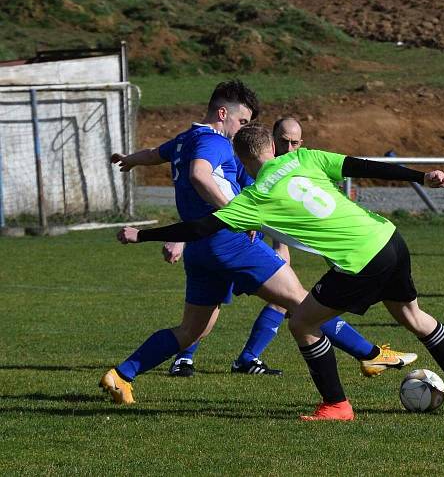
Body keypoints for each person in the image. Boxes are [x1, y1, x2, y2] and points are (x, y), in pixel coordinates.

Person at [116, 123, 444, 420]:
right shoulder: (305, 158)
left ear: (241, 161)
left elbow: (199, 228)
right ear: (274, 149)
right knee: (414, 316)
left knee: (303, 323)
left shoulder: (255, 197)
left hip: (359, 259)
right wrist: (420, 177)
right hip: (387, 237)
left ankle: (336, 405)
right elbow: (360, 165)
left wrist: (142, 235)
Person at [101, 82, 416, 404]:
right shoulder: (215, 142)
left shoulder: (185, 138)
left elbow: (155, 155)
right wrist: (234, 214)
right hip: (229, 242)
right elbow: (199, 174)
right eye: (242, 122)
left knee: (191, 331)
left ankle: (122, 374)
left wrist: (132, 160)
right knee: (302, 302)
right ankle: (370, 354)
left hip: (201, 250)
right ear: (222, 114)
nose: (243, 131)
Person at [160, 116, 406, 378]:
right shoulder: (248, 164)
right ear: (271, 143)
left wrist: (281, 246)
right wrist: (182, 238)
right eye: (284, 142)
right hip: (232, 243)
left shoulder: (292, 166)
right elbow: (211, 201)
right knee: (291, 301)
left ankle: (244, 358)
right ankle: (370, 355)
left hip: (245, 242)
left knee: (285, 301)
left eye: (295, 143)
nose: (289, 149)